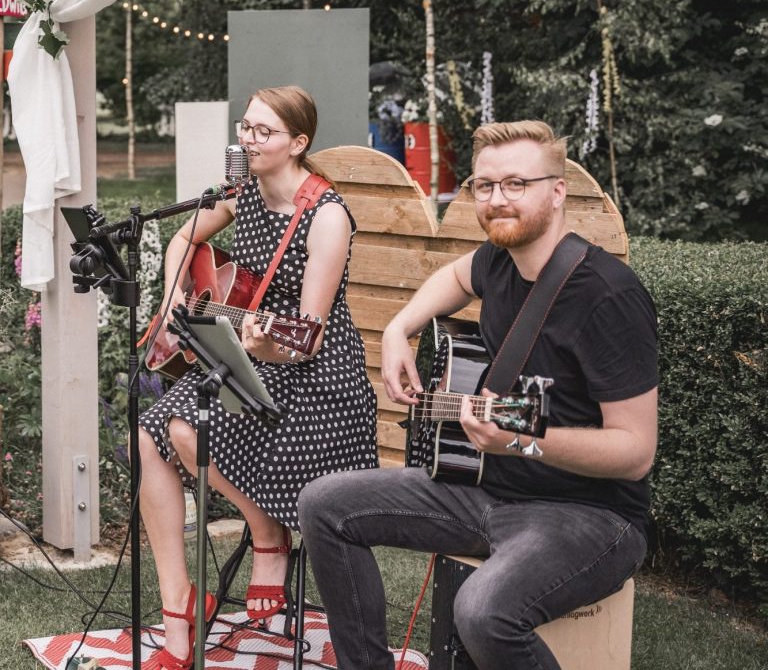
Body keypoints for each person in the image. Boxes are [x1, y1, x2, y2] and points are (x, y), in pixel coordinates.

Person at [298, 120, 658, 670]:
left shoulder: (608, 296)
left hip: (590, 515)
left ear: (557, 192)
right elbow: (455, 277)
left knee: (483, 610)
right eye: (485, 186)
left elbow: (635, 453)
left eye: (516, 184)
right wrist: (398, 329)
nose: (497, 199)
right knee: (324, 504)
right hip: (486, 490)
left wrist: (520, 440)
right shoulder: (498, 260)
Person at [137, 85, 378, 670]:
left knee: (186, 430)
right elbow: (183, 238)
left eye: (263, 131)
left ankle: (268, 534)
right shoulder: (240, 193)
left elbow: (308, 337)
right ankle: (178, 607)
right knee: (148, 433)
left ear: (298, 142)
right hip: (251, 360)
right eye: (245, 127)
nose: (248, 139)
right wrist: (173, 298)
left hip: (319, 380)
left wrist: (265, 342)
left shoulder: (326, 216)